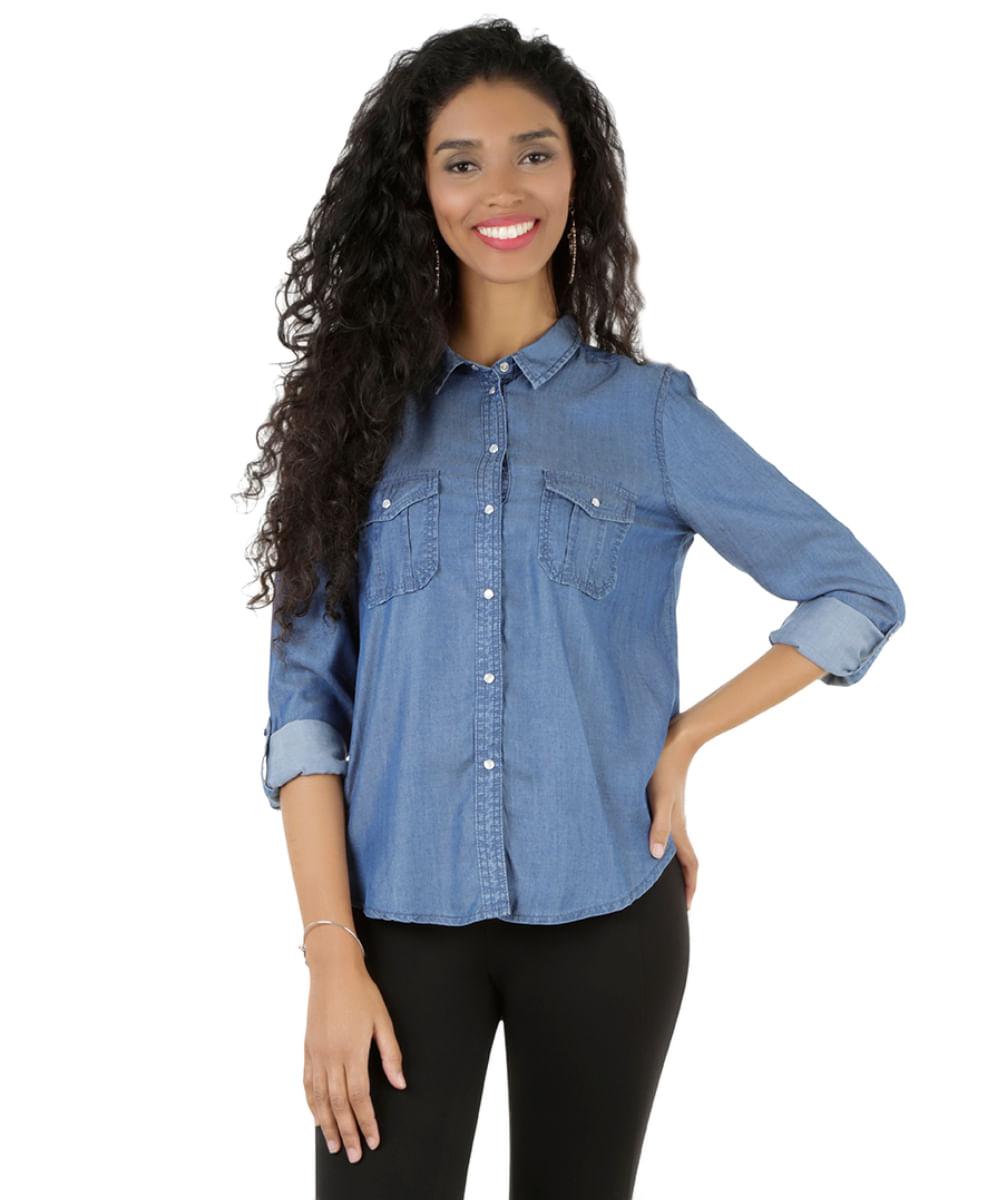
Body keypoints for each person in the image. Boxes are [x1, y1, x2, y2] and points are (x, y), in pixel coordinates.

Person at [238, 18, 906, 1200]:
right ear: (417, 191)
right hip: (395, 929)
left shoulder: (648, 417)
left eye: (533, 154)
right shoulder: (352, 426)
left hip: (608, 917)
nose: (502, 190)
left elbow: (854, 589)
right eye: (462, 161)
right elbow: (303, 712)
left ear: (576, 176)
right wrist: (329, 951)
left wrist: (682, 741)